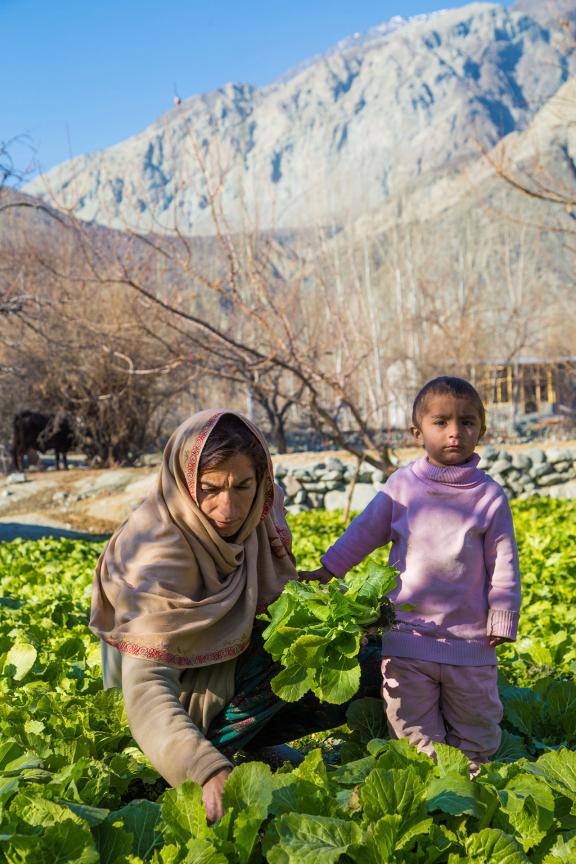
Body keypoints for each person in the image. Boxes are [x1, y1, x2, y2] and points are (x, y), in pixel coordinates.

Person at [90, 410, 381, 822]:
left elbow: (277, 603)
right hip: (173, 712)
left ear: (261, 481)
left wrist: (350, 619)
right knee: (286, 656)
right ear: (185, 483)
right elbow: (147, 686)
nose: (227, 508)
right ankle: (220, 748)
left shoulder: (261, 514)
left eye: (242, 486)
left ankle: (256, 742)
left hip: (229, 665)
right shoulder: (157, 551)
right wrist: (201, 769)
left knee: (366, 654)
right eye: (210, 489)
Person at [306, 376, 521, 769]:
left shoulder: (489, 496)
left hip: (471, 643)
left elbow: (504, 562)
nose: (455, 432)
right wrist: (327, 569)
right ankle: (432, 792)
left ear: (481, 430)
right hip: (409, 639)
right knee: (412, 729)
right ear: (417, 431)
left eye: (467, 422)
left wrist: (502, 617)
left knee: (478, 728)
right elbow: (363, 532)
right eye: (441, 422)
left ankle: (470, 791)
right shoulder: (402, 486)